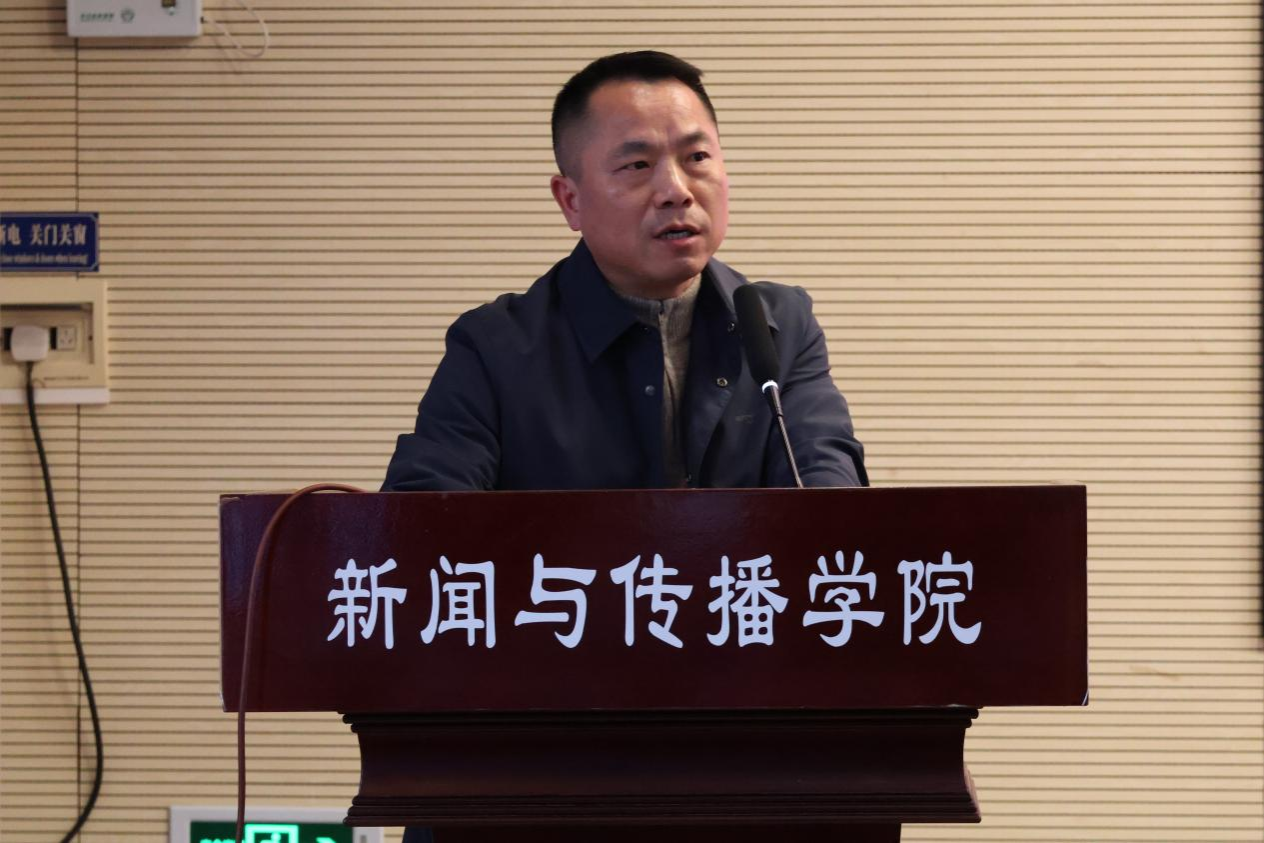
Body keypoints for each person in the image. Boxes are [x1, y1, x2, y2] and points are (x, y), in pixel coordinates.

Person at [384, 51, 866, 494]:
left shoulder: (779, 325)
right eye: (637, 164)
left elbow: (831, 492)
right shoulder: (494, 348)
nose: (676, 191)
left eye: (697, 158)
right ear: (571, 200)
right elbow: (423, 521)